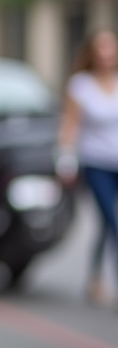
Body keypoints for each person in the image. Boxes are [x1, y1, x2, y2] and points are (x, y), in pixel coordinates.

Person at [57, 29, 118, 308]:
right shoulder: (81, 84)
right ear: (92, 52)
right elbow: (71, 123)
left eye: (111, 48)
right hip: (96, 162)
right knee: (112, 219)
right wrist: (65, 156)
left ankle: (94, 277)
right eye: (101, 48)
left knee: (107, 225)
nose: (107, 54)